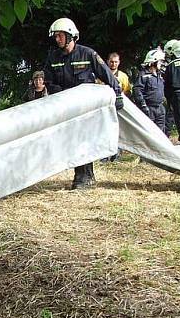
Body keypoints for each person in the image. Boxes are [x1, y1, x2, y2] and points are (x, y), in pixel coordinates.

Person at [43, 17, 123, 190]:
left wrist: (117, 95)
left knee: (83, 140)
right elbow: (49, 81)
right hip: (66, 108)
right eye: (55, 36)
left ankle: (84, 177)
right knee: (72, 142)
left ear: (71, 36)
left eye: (60, 36)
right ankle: (83, 176)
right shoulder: (53, 57)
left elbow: (107, 74)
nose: (57, 39)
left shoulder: (88, 54)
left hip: (86, 109)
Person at [133, 48, 167, 135]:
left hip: (160, 108)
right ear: (153, 62)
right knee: (149, 133)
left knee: (160, 133)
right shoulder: (143, 75)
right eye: (160, 61)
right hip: (149, 108)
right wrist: (143, 105)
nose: (161, 64)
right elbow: (137, 90)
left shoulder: (160, 75)